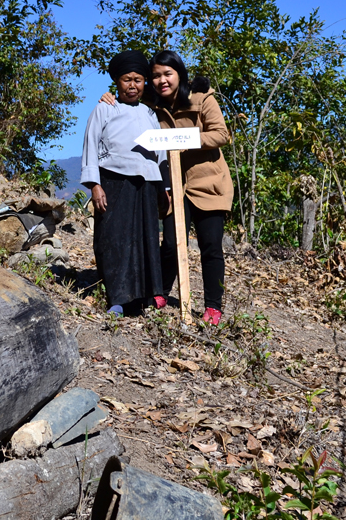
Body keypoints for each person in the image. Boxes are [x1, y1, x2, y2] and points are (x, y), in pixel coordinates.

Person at [99, 51, 233, 325]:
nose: (162, 80)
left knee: (210, 247)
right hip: (175, 184)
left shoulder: (202, 99)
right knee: (170, 242)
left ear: (180, 75)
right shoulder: (152, 104)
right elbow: (128, 92)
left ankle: (213, 307)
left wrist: (185, 140)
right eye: (156, 75)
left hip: (209, 184)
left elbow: (221, 134)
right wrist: (108, 95)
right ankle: (160, 292)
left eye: (167, 74)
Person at [81, 50, 167, 316]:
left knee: (146, 239)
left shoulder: (150, 114)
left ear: (145, 83)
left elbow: (161, 154)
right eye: (127, 80)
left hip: (147, 186)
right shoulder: (105, 109)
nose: (132, 85)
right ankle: (117, 298)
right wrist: (95, 184)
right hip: (113, 182)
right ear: (116, 82)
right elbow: (90, 146)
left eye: (138, 80)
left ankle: (148, 296)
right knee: (113, 238)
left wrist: (165, 189)